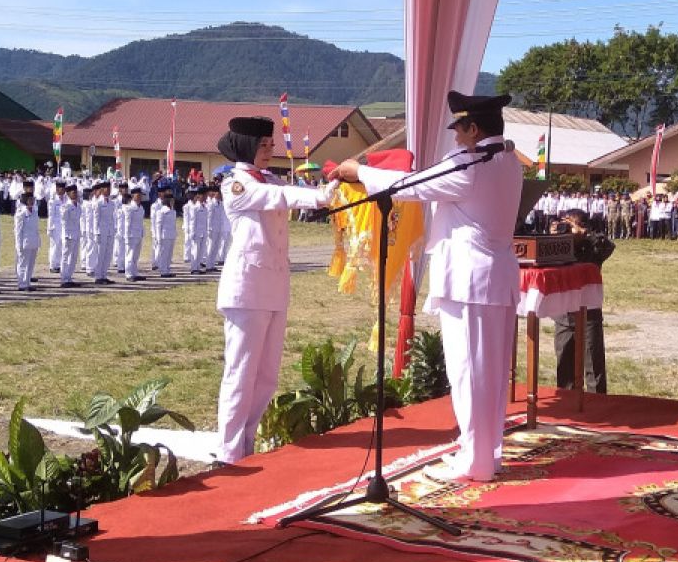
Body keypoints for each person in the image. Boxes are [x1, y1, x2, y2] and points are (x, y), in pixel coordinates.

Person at [331, 91, 522, 482]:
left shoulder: (470, 164)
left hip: (468, 282)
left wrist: (361, 172)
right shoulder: (509, 162)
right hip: (497, 278)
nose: (455, 139)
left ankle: (476, 461)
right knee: (493, 372)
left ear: (473, 128)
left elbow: (413, 184)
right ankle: (489, 454)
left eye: (459, 130)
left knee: (469, 370)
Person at [214, 116, 335, 464]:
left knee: (266, 375)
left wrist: (326, 193)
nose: (269, 151)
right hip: (247, 289)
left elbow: (285, 191)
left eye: (270, 145)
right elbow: (278, 196)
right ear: (247, 147)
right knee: (241, 371)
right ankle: (229, 450)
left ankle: (247, 443)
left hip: (274, 286)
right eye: (263, 146)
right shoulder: (236, 184)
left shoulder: (266, 178)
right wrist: (319, 197)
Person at [553, 208, 614, 394]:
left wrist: (585, 234)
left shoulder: (593, 247)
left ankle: (597, 403)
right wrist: (554, 236)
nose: (568, 230)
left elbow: (608, 246)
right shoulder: (559, 247)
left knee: (593, 363)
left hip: (589, 312)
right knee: (565, 362)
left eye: (572, 224)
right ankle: (566, 399)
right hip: (564, 312)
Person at [14, 191, 40, 291]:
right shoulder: (21, 213)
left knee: (30, 264)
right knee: (23, 264)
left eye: (33, 199)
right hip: (24, 242)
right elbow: (18, 230)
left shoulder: (34, 211)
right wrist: (18, 245)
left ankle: (27, 282)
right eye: (30, 200)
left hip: (33, 241)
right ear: (25, 201)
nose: (32, 201)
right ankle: (22, 284)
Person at [150, 185, 177, 278]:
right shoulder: (160, 210)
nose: (173, 201)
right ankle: (162, 270)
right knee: (163, 253)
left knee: (169, 254)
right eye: (171, 200)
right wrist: (157, 236)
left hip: (171, 235)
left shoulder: (173, 211)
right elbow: (157, 224)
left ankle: (167, 269)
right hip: (163, 235)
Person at [120, 186, 146, 281]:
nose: (139, 197)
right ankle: (129, 274)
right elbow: (127, 223)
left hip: (138, 234)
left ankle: (135, 272)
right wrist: (126, 236)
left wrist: (142, 232)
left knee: (136, 255)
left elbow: (141, 222)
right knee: (130, 255)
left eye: (140, 195)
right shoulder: (129, 208)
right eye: (138, 195)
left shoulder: (141, 208)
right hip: (131, 235)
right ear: (132, 196)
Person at [59, 184, 82, 287]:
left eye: (76, 192)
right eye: (73, 192)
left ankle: (69, 277)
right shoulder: (65, 206)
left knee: (73, 257)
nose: (75, 194)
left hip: (76, 234)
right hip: (68, 235)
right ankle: (64, 279)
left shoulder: (78, 205)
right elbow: (64, 222)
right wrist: (66, 235)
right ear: (68, 194)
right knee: (65, 256)